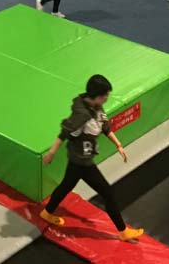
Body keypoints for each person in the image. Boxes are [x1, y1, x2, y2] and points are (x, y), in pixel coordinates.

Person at [40, 75, 144, 243]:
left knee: (66, 185)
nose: (106, 98)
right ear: (96, 96)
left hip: (81, 159)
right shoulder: (81, 115)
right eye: (104, 96)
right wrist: (51, 153)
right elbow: (64, 133)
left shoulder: (97, 107)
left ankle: (47, 212)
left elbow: (105, 127)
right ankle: (123, 231)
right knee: (107, 193)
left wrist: (118, 145)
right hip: (82, 161)